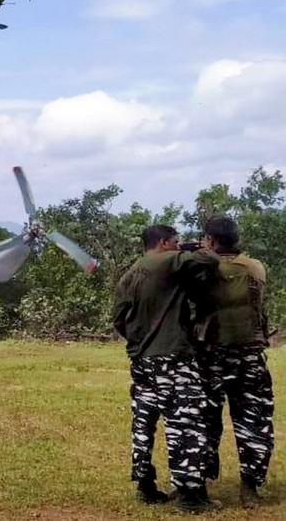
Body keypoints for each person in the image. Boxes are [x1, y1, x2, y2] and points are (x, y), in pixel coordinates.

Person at [113, 224, 219, 511]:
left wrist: (141, 342)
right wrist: (191, 247)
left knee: (143, 423)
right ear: (163, 243)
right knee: (185, 423)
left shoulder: (130, 273)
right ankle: (190, 495)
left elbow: (119, 319)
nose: (177, 245)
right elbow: (210, 259)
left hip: (142, 359)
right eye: (175, 241)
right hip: (173, 357)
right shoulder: (168, 260)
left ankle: (145, 484)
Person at [197, 215, 274, 507]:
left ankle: (200, 480)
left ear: (212, 241)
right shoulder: (255, 267)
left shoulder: (202, 269)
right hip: (249, 354)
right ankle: (250, 487)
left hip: (211, 354)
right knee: (254, 422)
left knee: (203, 420)